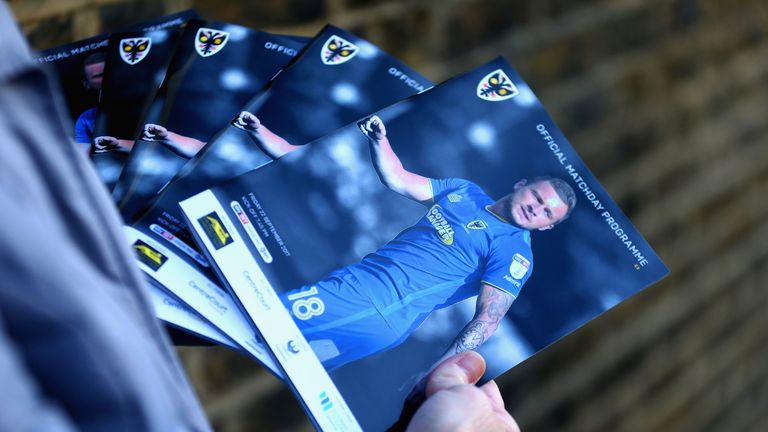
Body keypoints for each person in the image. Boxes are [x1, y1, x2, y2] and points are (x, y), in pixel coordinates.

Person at [1, 5, 520, 430]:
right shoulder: (453, 190)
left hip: (362, 307)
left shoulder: (500, 253)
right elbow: (370, 172)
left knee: (259, 331)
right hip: (340, 289)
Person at [234, 112, 577, 371]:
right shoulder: (465, 192)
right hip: (365, 295)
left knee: (248, 318)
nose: (537, 209)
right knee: (268, 360)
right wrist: (379, 140)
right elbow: (397, 178)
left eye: (548, 213)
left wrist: (436, 374)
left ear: (548, 228)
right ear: (521, 185)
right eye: (537, 196)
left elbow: (488, 319)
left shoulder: (514, 252)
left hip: (373, 304)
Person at [73, 51, 105, 152]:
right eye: (97, 76)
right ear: (86, 84)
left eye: (107, 73)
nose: (105, 78)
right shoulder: (84, 119)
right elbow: (84, 154)